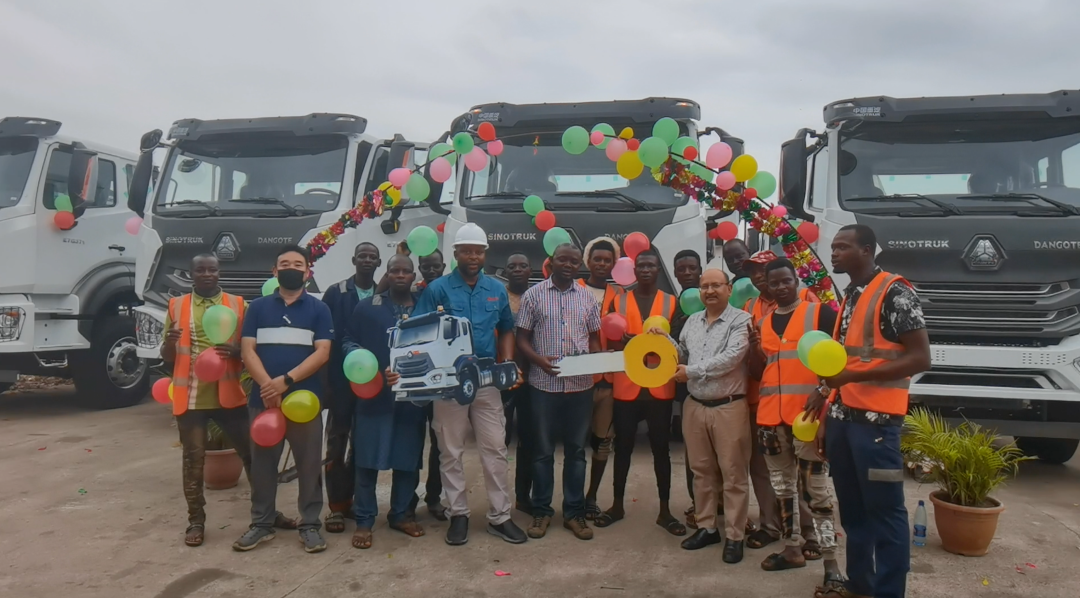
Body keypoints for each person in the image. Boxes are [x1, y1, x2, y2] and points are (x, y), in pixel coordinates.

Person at [805, 224, 930, 598]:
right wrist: (828, 411)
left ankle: (889, 592)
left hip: (877, 427)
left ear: (868, 250)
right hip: (844, 422)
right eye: (834, 247)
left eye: (843, 247)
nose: (835, 253)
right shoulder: (851, 295)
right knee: (854, 512)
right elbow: (843, 366)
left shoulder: (895, 291)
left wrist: (850, 376)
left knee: (886, 515)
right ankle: (860, 585)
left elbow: (920, 357)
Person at [414, 223, 528, 546]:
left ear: (485, 253)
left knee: (495, 447)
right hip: (450, 383)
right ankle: (458, 514)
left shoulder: (495, 288)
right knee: (450, 450)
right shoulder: (437, 289)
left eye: (478, 251)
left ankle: (500, 516)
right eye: (467, 250)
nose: (473, 256)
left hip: (487, 380)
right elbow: (420, 332)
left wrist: (506, 362)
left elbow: (507, 328)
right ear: (456, 253)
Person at [747, 259, 842, 588]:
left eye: (787, 280)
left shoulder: (821, 315)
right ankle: (792, 549)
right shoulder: (765, 322)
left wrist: (824, 390)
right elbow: (768, 370)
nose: (782, 286)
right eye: (775, 283)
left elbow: (842, 363)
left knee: (817, 493)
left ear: (796, 280)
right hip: (771, 420)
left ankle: (831, 564)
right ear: (769, 288)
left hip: (808, 420)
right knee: (783, 489)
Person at [233, 245, 333, 553]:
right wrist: (268, 386)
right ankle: (261, 524)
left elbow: (323, 352)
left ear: (307, 271)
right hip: (263, 401)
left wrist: (286, 381)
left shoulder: (319, 309)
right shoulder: (259, 308)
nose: (291, 268)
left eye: (297, 264)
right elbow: (247, 350)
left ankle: (310, 524)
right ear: (275, 272)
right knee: (263, 464)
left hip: (304, 400)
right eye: (284, 263)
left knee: (309, 463)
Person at [662, 268, 751, 564]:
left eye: (716, 285)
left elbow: (731, 358)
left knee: (733, 474)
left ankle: (736, 535)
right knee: (701, 472)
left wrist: (692, 372)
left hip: (728, 406)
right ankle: (707, 527)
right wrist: (664, 340)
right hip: (696, 404)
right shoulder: (691, 322)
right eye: (704, 287)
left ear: (729, 289)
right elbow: (683, 357)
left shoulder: (741, 321)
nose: (710, 291)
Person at [593, 248, 685, 537]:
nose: (646, 270)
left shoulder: (672, 302)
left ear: (658, 270)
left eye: (651, 266)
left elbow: (680, 343)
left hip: (660, 388)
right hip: (626, 387)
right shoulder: (617, 301)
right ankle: (617, 505)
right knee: (623, 449)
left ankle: (665, 510)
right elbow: (608, 335)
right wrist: (627, 342)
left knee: (661, 451)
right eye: (641, 266)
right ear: (634, 271)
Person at [163, 253, 252, 547]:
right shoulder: (177, 305)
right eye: (200, 269)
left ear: (219, 272)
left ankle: (266, 513)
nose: (206, 274)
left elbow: (250, 350)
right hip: (191, 399)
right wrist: (169, 344)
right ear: (191, 273)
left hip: (228, 395)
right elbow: (166, 356)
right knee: (193, 462)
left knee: (252, 456)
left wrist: (236, 351)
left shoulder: (238, 304)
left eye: (211, 269)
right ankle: (196, 521)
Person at [516, 243, 602, 540]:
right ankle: (541, 513)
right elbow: (522, 339)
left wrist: (597, 358)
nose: (568, 265)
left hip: (580, 387)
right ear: (550, 262)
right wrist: (538, 360)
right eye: (562, 260)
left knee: (577, 452)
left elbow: (594, 338)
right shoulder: (533, 295)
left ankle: (574, 515)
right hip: (544, 386)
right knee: (542, 452)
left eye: (574, 261)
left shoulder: (587, 297)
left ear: (579, 265)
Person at [342, 255, 428, 549]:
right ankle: (365, 520)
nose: (401, 275)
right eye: (395, 271)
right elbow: (348, 341)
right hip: (374, 396)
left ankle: (401, 514)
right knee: (366, 461)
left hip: (413, 398)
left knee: (407, 461)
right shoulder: (367, 308)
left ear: (414, 275)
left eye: (406, 271)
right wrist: (369, 369)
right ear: (387, 274)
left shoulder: (424, 307)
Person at [742, 250, 819, 553]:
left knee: (805, 473)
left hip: (803, 406)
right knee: (765, 470)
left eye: (763, 270)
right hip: (762, 402)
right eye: (754, 272)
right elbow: (756, 361)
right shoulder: (749, 307)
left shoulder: (810, 304)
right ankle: (771, 527)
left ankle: (809, 533)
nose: (758, 277)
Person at [320, 241, 381, 534]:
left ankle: (355, 502)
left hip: (373, 383)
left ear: (378, 263)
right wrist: (327, 384)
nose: (367, 260)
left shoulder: (383, 294)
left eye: (372, 257)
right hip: (341, 383)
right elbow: (326, 340)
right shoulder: (336, 292)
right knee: (337, 442)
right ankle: (335, 507)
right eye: (363, 256)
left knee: (363, 443)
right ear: (353, 259)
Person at [579, 237, 624, 520]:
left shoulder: (620, 295)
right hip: (578, 378)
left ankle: (591, 496)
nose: (602, 264)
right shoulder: (574, 289)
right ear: (588, 261)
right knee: (574, 443)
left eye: (607, 260)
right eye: (597, 259)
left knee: (602, 441)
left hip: (608, 380)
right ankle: (573, 497)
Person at [409, 247, 449, 521]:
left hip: (443, 378)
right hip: (415, 376)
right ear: (419, 267)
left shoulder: (449, 292)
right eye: (426, 266)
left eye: (435, 266)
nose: (431, 270)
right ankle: (407, 499)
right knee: (412, 442)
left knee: (440, 443)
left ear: (444, 266)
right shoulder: (412, 293)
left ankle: (434, 497)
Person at [669, 249, 702, 524]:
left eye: (692, 268)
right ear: (676, 273)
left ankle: (725, 506)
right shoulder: (673, 305)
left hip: (720, 388)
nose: (688, 273)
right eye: (682, 269)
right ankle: (698, 503)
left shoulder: (712, 299)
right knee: (694, 454)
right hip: (687, 391)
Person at [503, 253, 534, 515]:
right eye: (512, 266)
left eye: (522, 266)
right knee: (499, 441)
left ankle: (524, 497)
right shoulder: (497, 296)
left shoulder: (538, 296)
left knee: (529, 440)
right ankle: (499, 499)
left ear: (530, 270)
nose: (517, 270)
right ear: (505, 271)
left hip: (532, 378)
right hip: (501, 379)